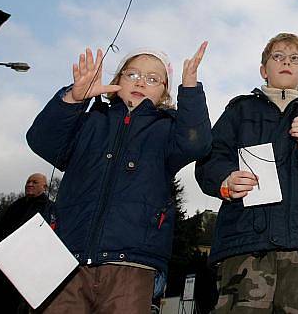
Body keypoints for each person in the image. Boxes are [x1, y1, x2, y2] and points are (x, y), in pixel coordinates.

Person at [27, 43, 212, 314]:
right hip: (67, 257)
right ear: (117, 80)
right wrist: (73, 99)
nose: (141, 82)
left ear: (164, 92)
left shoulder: (168, 129)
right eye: (132, 74)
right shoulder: (89, 121)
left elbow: (197, 144)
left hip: (133, 261)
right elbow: (42, 140)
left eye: (152, 79)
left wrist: (190, 91)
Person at [195, 33, 298, 314]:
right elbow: (209, 160)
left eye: (295, 59)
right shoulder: (239, 110)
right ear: (264, 70)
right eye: (277, 57)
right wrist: (226, 180)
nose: (286, 62)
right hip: (245, 243)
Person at [0, 173, 52, 313]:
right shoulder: (15, 206)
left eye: (35, 182)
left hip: (24, 270)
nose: (29, 184)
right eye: (28, 182)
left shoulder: (48, 209)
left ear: (44, 187)